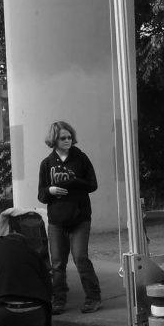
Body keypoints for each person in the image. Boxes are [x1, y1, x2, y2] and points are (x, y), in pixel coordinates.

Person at [37, 121, 101, 314]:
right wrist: (50, 189)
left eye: (69, 137)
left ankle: (93, 298)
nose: (67, 140)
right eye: (63, 138)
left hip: (80, 218)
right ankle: (59, 299)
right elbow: (41, 195)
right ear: (54, 140)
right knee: (57, 262)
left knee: (81, 258)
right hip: (57, 220)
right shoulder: (47, 163)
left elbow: (92, 184)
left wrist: (73, 181)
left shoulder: (81, 159)